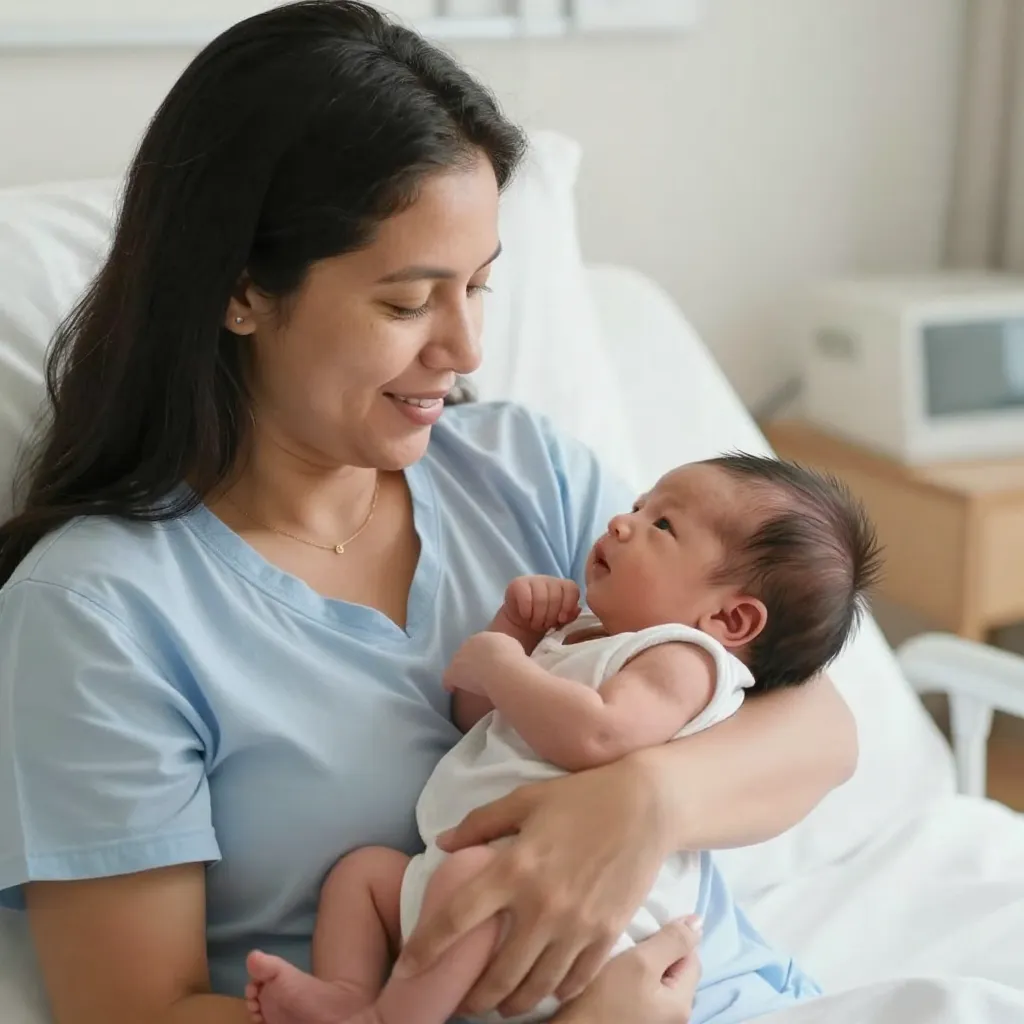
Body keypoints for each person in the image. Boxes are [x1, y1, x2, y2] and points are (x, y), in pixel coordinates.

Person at [0, 4, 859, 1024]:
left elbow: (815, 723)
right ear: (242, 292)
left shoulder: (525, 472)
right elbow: (135, 1011)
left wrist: (642, 802)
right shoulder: (102, 613)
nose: (464, 350)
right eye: (408, 303)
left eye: (481, 287)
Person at [243, 455, 879, 1024]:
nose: (624, 522)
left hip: (577, 939)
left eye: (663, 526)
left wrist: (503, 664)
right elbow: (474, 719)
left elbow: (599, 736)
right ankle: (349, 992)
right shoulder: (584, 631)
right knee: (362, 875)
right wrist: (515, 633)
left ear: (729, 618)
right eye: (638, 506)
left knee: (465, 880)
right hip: (468, 885)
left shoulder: (683, 660)